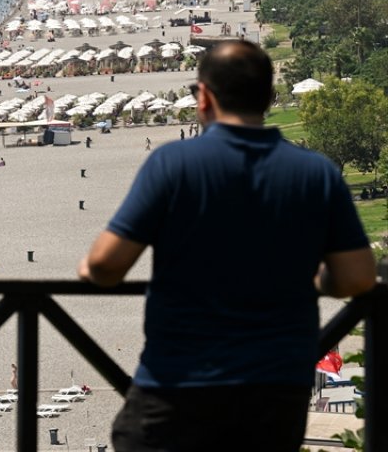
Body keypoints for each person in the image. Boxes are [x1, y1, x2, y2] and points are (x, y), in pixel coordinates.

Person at [78, 40, 376, 452]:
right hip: (275, 390)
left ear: (205, 98)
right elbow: (357, 277)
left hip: (178, 382)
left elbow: (107, 266)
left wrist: (88, 271)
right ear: (270, 98)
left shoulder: (173, 164)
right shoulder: (316, 173)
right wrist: (310, 276)